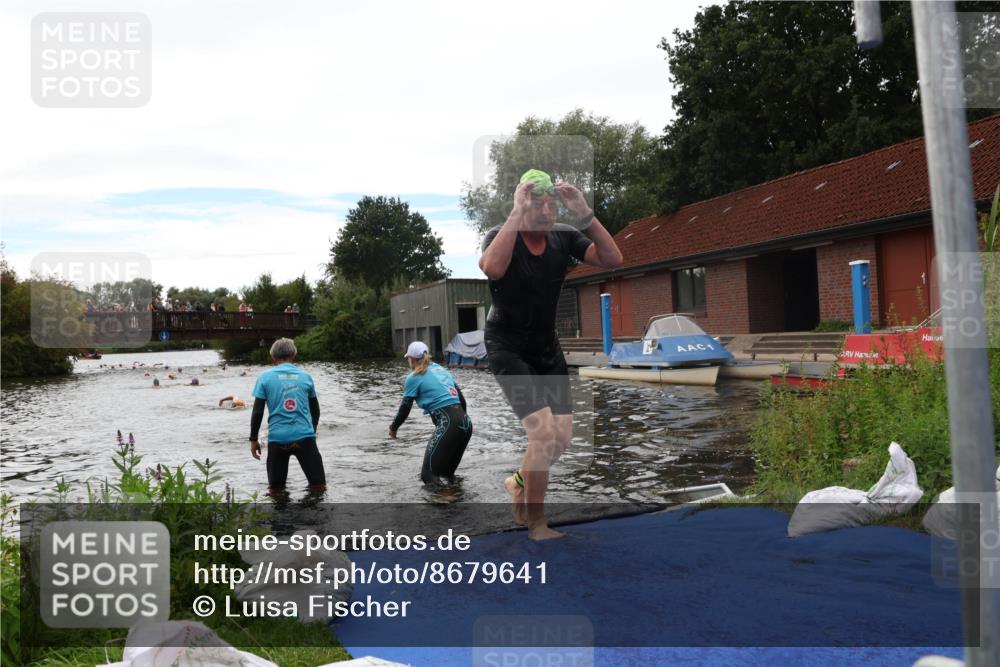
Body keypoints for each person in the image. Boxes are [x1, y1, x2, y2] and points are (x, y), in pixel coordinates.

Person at [479, 168, 623, 540]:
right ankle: (537, 523)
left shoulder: (564, 238)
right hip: (507, 347)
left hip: (547, 349)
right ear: (523, 205)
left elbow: (613, 259)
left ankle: (516, 482)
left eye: (551, 204)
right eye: (536, 203)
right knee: (542, 434)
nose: (545, 211)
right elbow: (492, 269)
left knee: (562, 437)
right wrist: (514, 212)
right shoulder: (500, 236)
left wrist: (586, 213)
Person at [389, 341, 473, 484]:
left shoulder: (413, 377)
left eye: (408, 358)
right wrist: (460, 425)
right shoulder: (442, 370)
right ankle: (456, 502)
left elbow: (405, 408)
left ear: (412, 359)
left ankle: (445, 505)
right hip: (466, 423)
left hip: (449, 424)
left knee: (428, 476)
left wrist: (393, 428)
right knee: (447, 474)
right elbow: (462, 400)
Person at [249, 338, 325, 494]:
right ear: (294, 355)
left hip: (278, 439)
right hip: (304, 438)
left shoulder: (264, 377)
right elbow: (315, 409)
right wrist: (313, 430)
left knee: (276, 490)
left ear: (273, 357)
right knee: (318, 487)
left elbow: (257, 412)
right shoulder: (305, 376)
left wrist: (253, 439)